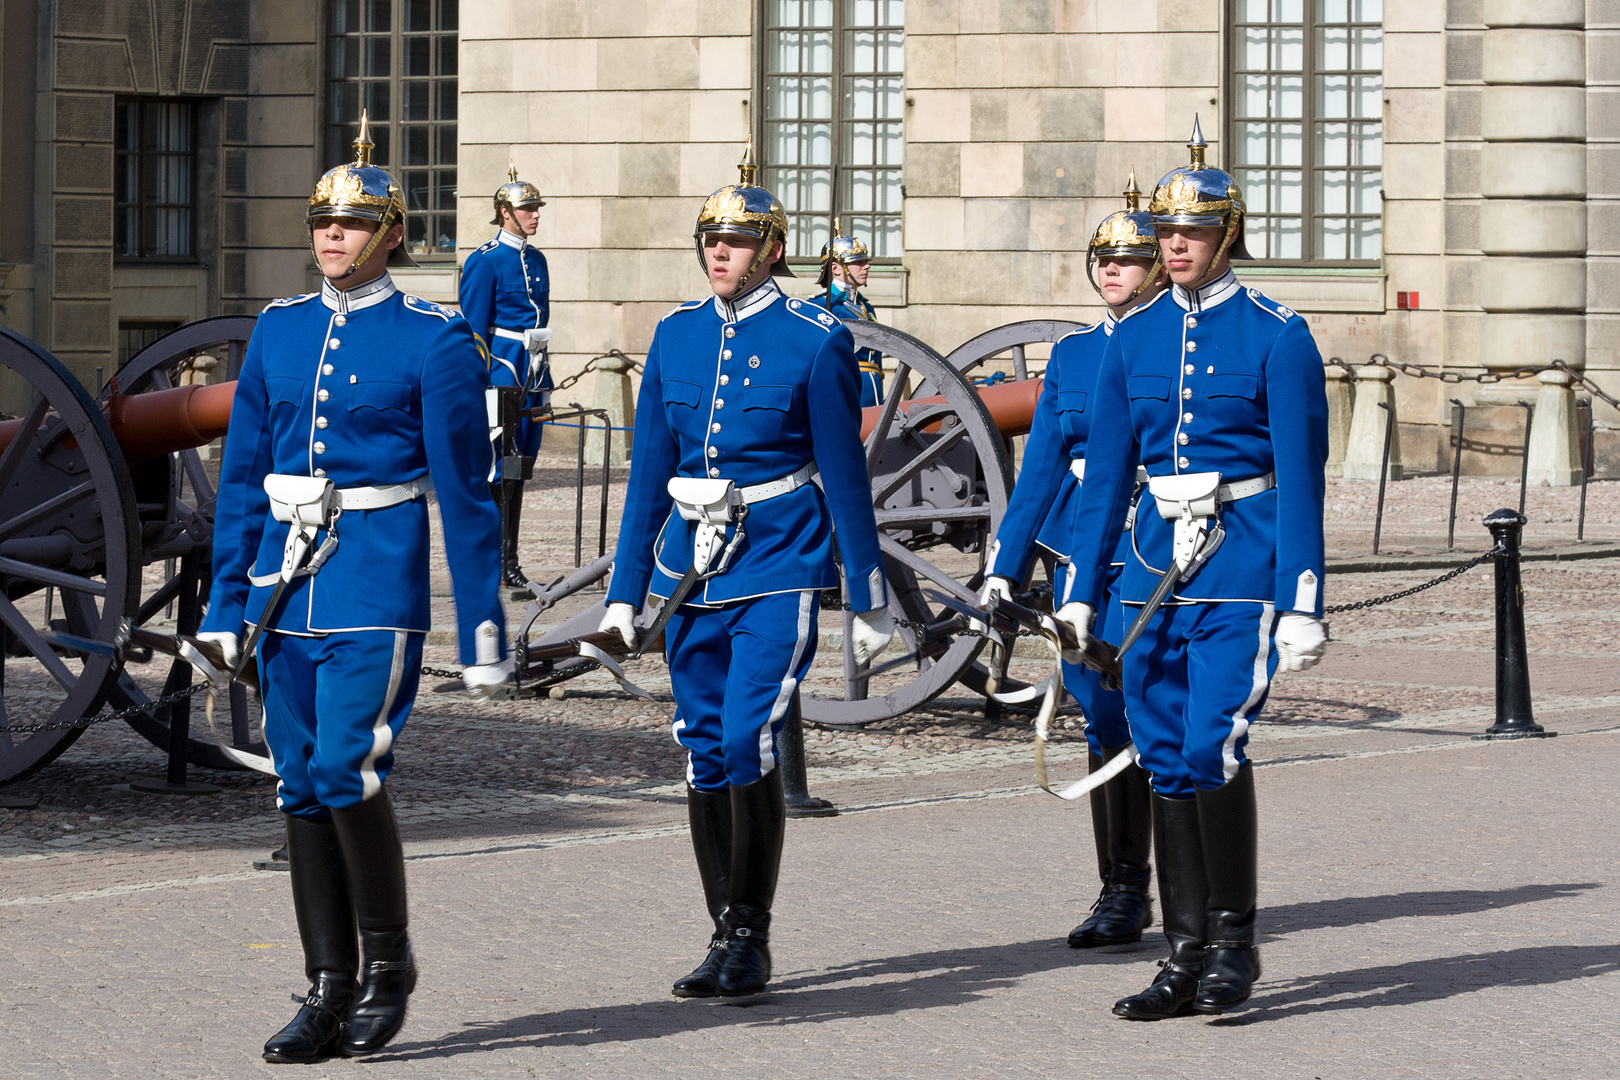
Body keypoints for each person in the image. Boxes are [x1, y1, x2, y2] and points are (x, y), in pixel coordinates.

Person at [198, 115, 511, 1062]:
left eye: (353, 224)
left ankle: (390, 964)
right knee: (298, 785)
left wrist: (485, 621)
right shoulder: (280, 331)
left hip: (374, 573)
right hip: (281, 588)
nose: (332, 236)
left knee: (345, 768)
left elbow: (466, 495)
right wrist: (224, 604)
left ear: (392, 237)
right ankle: (326, 988)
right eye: (321, 222)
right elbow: (244, 476)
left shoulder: (434, 338)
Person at [597, 144, 894, 998]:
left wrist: (867, 591)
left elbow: (843, 473)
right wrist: (625, 592)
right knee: (699, 748)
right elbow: (650, 469)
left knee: (743, 734)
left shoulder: (814, 339)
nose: (718, 253)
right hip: (689, 567)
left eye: (736, 241)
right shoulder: (677, 334)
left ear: (771, 249)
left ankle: (750, 932)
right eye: (709, 240)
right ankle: (721, 931)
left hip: (777, 556)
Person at [1060, 118, 1329, 1020]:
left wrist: (1302, 598)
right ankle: (1183, 954)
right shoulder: (1128, 341)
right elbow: (1102, 483)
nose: (1174, 246)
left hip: (1239, 558)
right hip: (1147, 563)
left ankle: (1235, 944)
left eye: (1193, 233)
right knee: (1164, 753)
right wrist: (1079, 594)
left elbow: (1299, 478)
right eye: (1167, 234)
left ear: (1227, 236)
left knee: (1213, 741)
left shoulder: (1276, 336)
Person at [980, 172, 1168, 950]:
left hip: (1156, 542)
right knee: (1099, 711)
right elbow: (1043, 469)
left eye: (1128, 259)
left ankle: (1182, 886)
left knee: (1157, 710)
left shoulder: (1174, 340)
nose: (1112, 271)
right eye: (1103, 260)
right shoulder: (1076, 353)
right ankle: (1120, 890)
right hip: (1077, 551)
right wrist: (1005, 561)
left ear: (1161, 266)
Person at [459, 163, 552, 587]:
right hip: (502, 373)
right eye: (527, 208)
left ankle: (509, 559)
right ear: (505, 212)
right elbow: (474, 329)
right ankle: (498, 561)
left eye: (536, 208)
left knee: (521, 468)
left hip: (533, 372)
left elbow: (540, 319)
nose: (535, 215)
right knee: (498, 469)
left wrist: (543, 377)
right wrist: (481, 382)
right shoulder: (485, 261)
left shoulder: (537, 260)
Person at [807, 219, 885, 407]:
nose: (866, 266)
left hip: (871, 393)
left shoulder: (865, 306)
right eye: (857, 262)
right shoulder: (821, 305)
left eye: (866, 261)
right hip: (844, 391)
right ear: (835, 268)